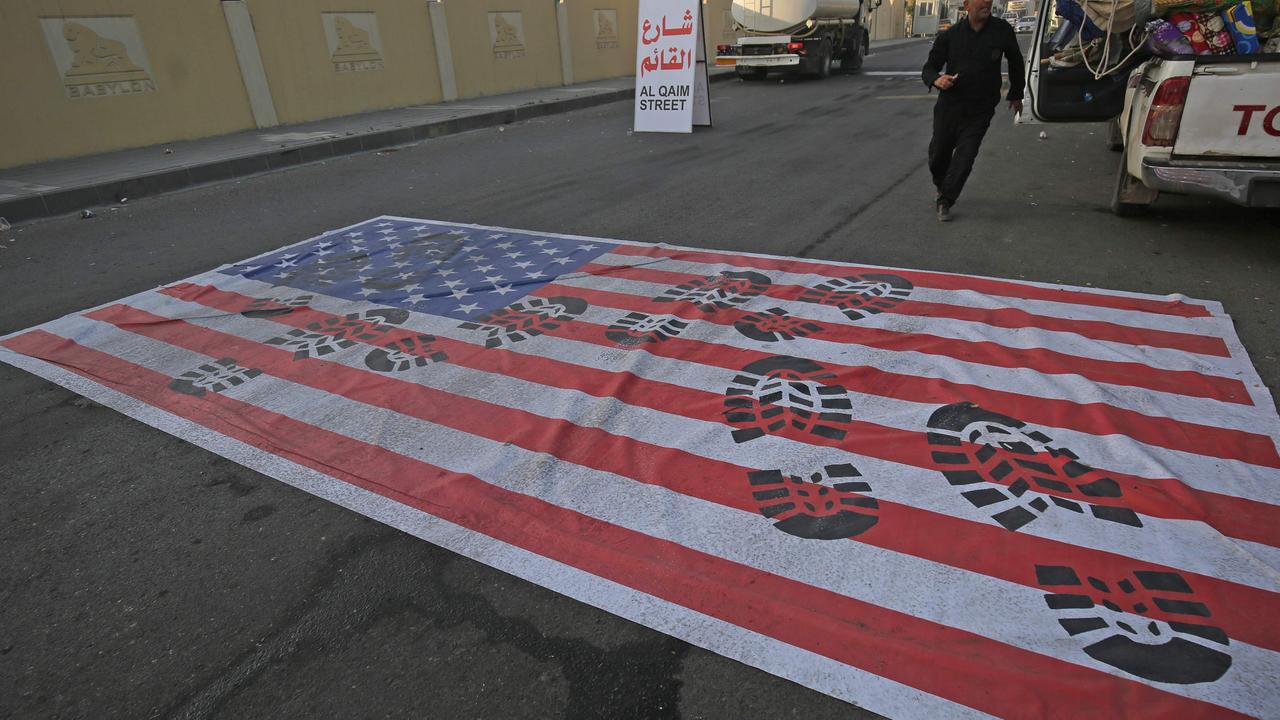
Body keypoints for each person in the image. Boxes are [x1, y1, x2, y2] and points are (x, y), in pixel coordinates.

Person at [921, 0, 1026, 222]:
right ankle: (942, 184)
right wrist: (937, 80)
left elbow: (1016, 61)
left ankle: (946, 200)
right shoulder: (951, 35)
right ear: (967, 5)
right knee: (937, 155)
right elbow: (929, 68)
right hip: (950, 105)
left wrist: (1017, 93)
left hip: (981, 107)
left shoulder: (1001, 30)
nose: (986, 2)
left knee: (965, 156)